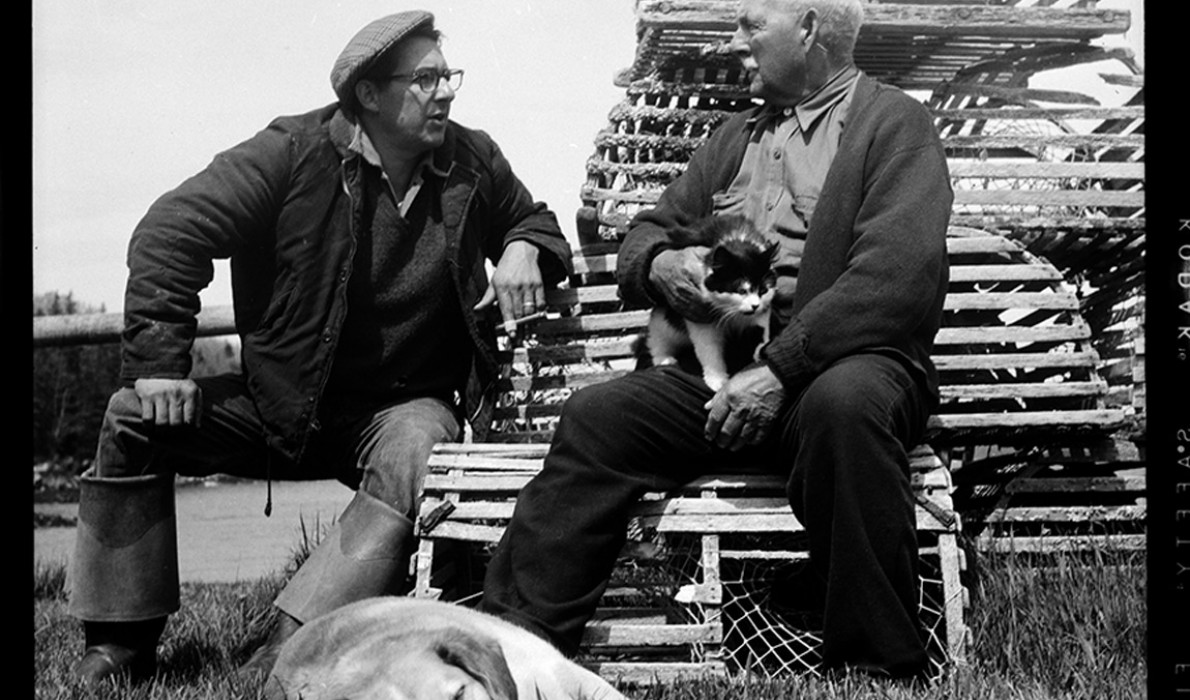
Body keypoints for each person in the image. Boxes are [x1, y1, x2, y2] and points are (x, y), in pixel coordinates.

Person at [66, 10, 571, 686]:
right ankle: (119, 645)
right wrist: (159, 367)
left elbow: (534, 217)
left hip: (396, 409)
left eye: (449, 75)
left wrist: (524, 245)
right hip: (282, 404)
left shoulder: (470, 159)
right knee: (133, 416)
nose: (446, 92)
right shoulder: (291, 154)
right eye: (425, 79)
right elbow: (169, 231)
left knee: (418, 445)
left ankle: (287, 647)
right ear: (367, 94)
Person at [480, 0, 952, 681]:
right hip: (728, 377)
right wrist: (659, 266)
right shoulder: (735, 137)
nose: (735, 44)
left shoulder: (893, 124)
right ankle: (509, 654)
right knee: (599, 417)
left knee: (843, 407)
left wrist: (781, 370)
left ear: (811, 28)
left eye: (751, 26)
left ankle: (876, 668)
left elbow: (894, 280)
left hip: (851, 368)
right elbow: (650, 229)